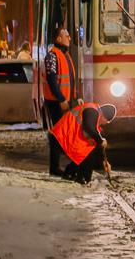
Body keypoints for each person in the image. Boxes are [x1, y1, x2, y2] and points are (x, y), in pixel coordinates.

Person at [49, 101, 116, 184]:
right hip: (62, 135)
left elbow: (97, 142)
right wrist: (100, 139)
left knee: (89, 149)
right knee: (90, 152)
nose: (105, 123)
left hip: (66, 136)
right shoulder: (92, 111)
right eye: (107, 121)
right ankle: (81, 176)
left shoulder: (94, 116)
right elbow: (89, 128)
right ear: (104, 116)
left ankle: (72, 172)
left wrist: (104, 161)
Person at [42, 27, 78, 176]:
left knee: (64, 132)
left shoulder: (64, 55)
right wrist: (61, 98)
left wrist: (75, 97)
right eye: (66, 36)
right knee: (58, 133)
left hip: (64, 101)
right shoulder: (53, 55)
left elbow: (69, 80)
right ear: (58, 39)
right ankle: (55, 167)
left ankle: (67, 165)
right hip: (56, 101)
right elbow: (51, 78)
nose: (69, 38)